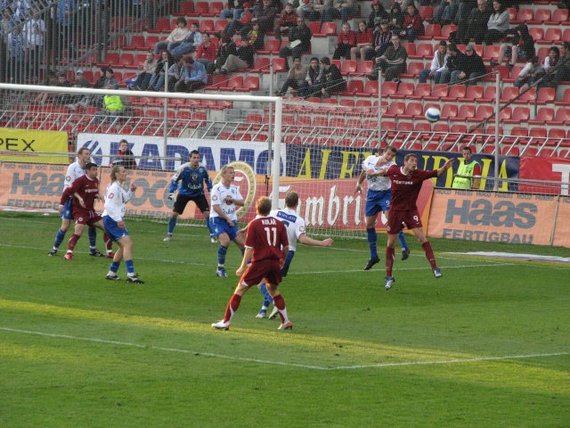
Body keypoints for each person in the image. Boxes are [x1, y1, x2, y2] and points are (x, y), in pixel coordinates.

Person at [211, 197, 292, 331]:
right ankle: (286, 321)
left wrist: (242, 267)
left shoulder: (255, 224)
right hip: (274, 263)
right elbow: (286, 247)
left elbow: (248, 248)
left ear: (256, 208)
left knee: (240, 289)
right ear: (269, 209)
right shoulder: (279, 224)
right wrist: (282, 259)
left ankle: (226, 322)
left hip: (260, 263)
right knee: (273, 289)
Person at [378, 154, 455, 290]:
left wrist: (445, 167)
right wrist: (373, 172)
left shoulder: (419, 174)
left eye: (416, 161)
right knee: (390, 243)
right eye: (412, 161)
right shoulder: (394, 170)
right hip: (395, 211)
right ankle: (389, 276)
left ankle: (435, 267)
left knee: (421, 237)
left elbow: (437, 172)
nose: (414, 163)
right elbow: (384, 172)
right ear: (405, 162)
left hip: (410, 211)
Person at [255, 191, 334, 319]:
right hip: (288, 254)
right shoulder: (299, 220)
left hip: (273, 251)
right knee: (271, 284)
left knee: (262, 282)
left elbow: (259, 220)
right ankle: (264, 310)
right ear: (297, 204)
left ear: (285, 202)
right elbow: (302, 239)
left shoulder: (274, 213)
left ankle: (274, 304)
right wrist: (322, 243)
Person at [355, 145, 409, 271]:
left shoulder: (392, 165)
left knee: (390, 219)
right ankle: (374, 256)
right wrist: (358, 184)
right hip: (372, 195)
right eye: (388, 154)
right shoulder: (370, 159)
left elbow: (385, 173)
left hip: (385, 194)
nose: (389, 157)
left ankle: (404, 247)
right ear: (383, 152)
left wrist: (374, 172)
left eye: (391, 155)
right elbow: (364, 171)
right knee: (369, 225)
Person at [48, 148, 103, 257]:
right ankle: (54, 249)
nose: (88, 156)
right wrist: (78, 198)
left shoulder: (90, 166)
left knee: (92, 223)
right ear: (79, 155)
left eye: (89, 154)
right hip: (70, 198)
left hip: (85, 200)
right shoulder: (73, 167)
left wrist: (96, 194)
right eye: (86, 154)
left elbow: (94, 182)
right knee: (65, 226)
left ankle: (92, 250)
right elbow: (70, 187)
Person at [59, 162, 114, 261]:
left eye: (96, 169)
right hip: (80, 211)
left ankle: (109, 253)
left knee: (108, 228)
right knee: (78, 231)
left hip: (91, 212)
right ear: (87, 171)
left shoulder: (96, 181)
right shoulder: (80, 180)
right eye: (93, 169)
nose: (95, 171)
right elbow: (68, 191)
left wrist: (98, 196)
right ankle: (68, 253)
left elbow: (95, 192)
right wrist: (61, 204)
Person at [102, 165, 143, 284]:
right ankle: (131, 275)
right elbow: (108, 205)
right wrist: (118, 219)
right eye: (123, 172)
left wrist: (131, 191)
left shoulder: (119, 187)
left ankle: (112, 273)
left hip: (112, 219)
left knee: (123, 246)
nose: (126, 173)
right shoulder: (114, 188)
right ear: (116, 174)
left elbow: (125, 199)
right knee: (128, 244)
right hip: (111, 219)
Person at [164, 150, 214, 242]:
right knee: (174, 214)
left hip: (199, 194)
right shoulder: (183, 168)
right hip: (184, 194)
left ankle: (212, 236)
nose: (196, 160)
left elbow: (208, 179)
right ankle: (169, 235)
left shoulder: (203, 168)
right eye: (194, 158)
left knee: (207, 214)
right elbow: (174, 180)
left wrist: (211, 190)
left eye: (197, 158)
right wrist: (172, 192)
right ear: (189, 158)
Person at [209, 165, 246, 278]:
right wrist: (227, 218)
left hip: (231, 220)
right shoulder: (217, 188)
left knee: (242, 244)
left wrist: (232, 200)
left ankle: (249, 267)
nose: (233, 175)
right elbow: (216, 207)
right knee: (225, 241)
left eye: (233, 173)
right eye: (230, 173)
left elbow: (242, 202)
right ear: (223, 175)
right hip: (217, 220)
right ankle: (220, 268)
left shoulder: (234, 188)